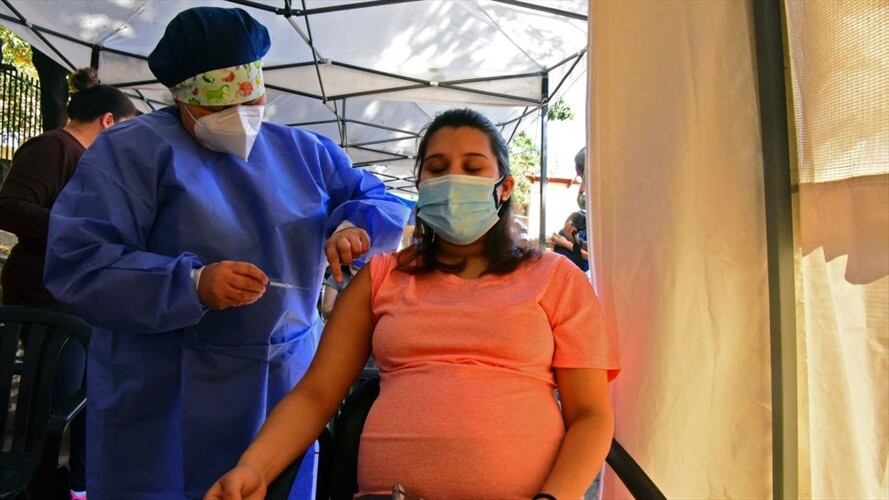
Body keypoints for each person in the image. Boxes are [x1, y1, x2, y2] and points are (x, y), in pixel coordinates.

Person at [43, 7, 409, 499]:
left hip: (280, 387)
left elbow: (383, 203)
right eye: (217, 106)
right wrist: (191, 285)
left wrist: (352, 225)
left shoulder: (307, 153)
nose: (238, 116)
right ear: (180, 100)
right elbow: (79, 261)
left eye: (249, 96)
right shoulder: (131, 152)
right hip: (164, 390)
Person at [206, 109, 620, 500]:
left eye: (473, 168)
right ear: (420, 185)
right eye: (437, 169)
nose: (453, 179)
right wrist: (254, 468)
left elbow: (590, 415)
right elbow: (315, 395)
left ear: (505, 187)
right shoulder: (382, 276)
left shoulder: (555, 277)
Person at [0, 67, 137, 500]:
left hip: (75, 298)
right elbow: (9, 207)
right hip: (47, 299)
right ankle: (37, 485)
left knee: (81, 394)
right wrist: (78, 229)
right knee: (57, 399)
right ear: (110, 122)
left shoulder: (86, 159)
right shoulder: (53, 147)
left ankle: (78, 485)